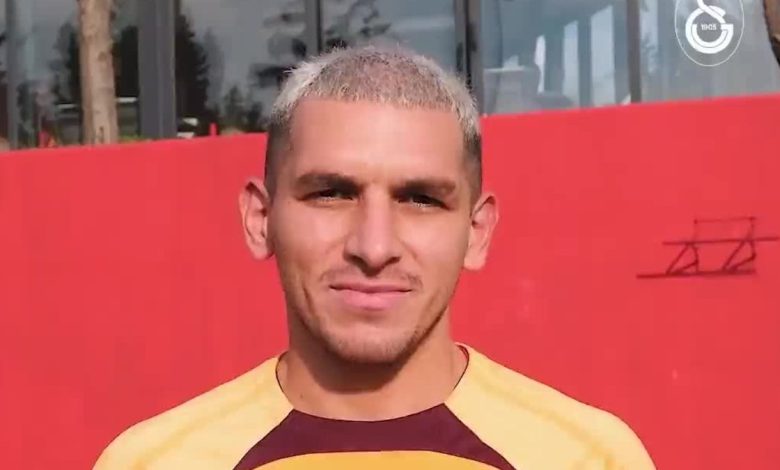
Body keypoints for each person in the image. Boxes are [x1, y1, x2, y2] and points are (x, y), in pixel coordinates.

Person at [94, 45, 655, 470]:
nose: (374, 247)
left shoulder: (590, 459)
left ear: (477, 231)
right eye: (331, 193)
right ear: (260, 219)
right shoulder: (152, 463)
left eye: (421, 199)